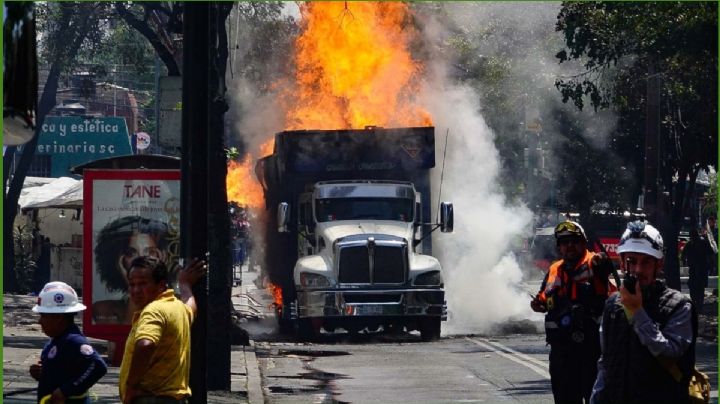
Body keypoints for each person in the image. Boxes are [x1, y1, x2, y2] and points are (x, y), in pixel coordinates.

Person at [590, 221, 696, 404]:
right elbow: (606, 363)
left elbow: (669, 354)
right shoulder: (613, 306)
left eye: (646, 262)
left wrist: (637, 312)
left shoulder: (679, 306)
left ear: (659, 264)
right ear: (622, 263)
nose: (638, 270)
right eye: (631, 261)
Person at [530, 220, 614, 404]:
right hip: (561, 353)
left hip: (591, 351)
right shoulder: (554, 269)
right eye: (564, 242)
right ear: (559, 247)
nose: (570, 246)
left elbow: (605, 265)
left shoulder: (593, 262)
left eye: (574, 241)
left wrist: (602, 260)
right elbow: (544, 297)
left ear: (583, 243)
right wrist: (538, 304)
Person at [119, 256, 206, 404]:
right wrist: (184, 284)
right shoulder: (176, 307)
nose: (135, 290)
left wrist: (130, 387)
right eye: (132, 284)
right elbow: (191, 307)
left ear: (161, 285)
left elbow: (146, 344)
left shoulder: (153, 310)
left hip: (151, 398)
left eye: (142, 284)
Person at [30, 281, 108, 403]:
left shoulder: (74, 341)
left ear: (58, 318)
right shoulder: (56, 341)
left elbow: (97, 366)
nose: (40, 321)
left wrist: (66, 390)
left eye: (43, 316)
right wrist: (43, 373)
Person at [93, 216, 178, 324]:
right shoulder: (105, 310)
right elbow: (131, 330)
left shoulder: (175, 304)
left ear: (163, 257)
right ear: (120, 260)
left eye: (150, 252)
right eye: (131, 252)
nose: (141, 258)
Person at [681, 228, 713, 309]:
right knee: (695, 286)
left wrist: (685, 261)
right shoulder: (693, 243)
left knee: (697, 286)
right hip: (697, 268)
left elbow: (709, 253)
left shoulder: (698, 243)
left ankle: (698, 302)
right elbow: (683, 255)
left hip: (699, 268)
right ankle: (697, 302)